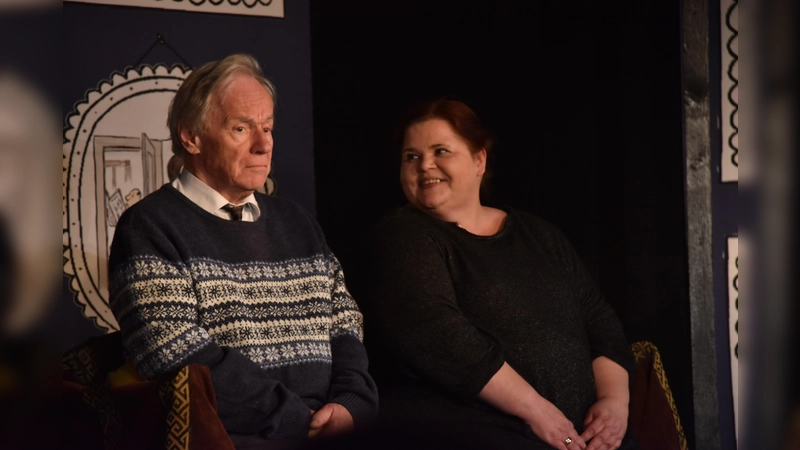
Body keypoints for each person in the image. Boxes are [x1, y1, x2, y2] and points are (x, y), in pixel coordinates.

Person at [108, 54, 378, 446]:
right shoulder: (149, 227)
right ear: (191, 137)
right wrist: (291, 417)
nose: (263, 144)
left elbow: (345, 321)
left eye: (268, 128)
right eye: (241, 128)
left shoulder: (298, 222)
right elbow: (170, 350)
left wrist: (351, 402)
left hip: (330, 428)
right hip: (234, 437)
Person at [362, 99, 638, 450]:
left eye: (440, 151)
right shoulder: (401, 236)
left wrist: (614, 406)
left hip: (579, 434)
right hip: (485, 432)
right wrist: (538, 412)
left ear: (479, 159)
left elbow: (601, 324)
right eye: (411, 156)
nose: (424, 165)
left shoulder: (539, 234)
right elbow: (439, 337)